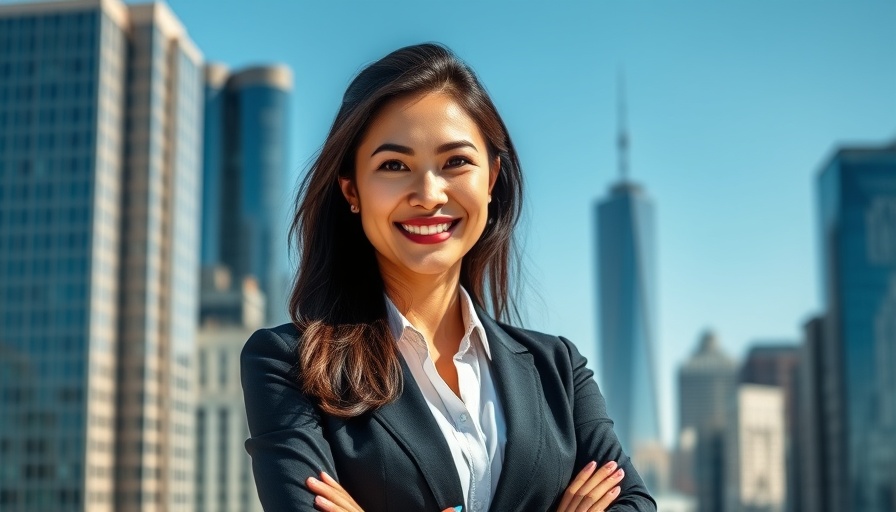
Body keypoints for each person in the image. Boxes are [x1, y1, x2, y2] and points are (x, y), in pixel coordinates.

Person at [241, 43, 657, 512]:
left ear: (492, 178)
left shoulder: (558, 369)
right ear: (351, 189)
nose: (428, 194)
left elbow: (633, 504)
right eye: (394, 166)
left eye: (456, 161)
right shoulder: (288, 366)